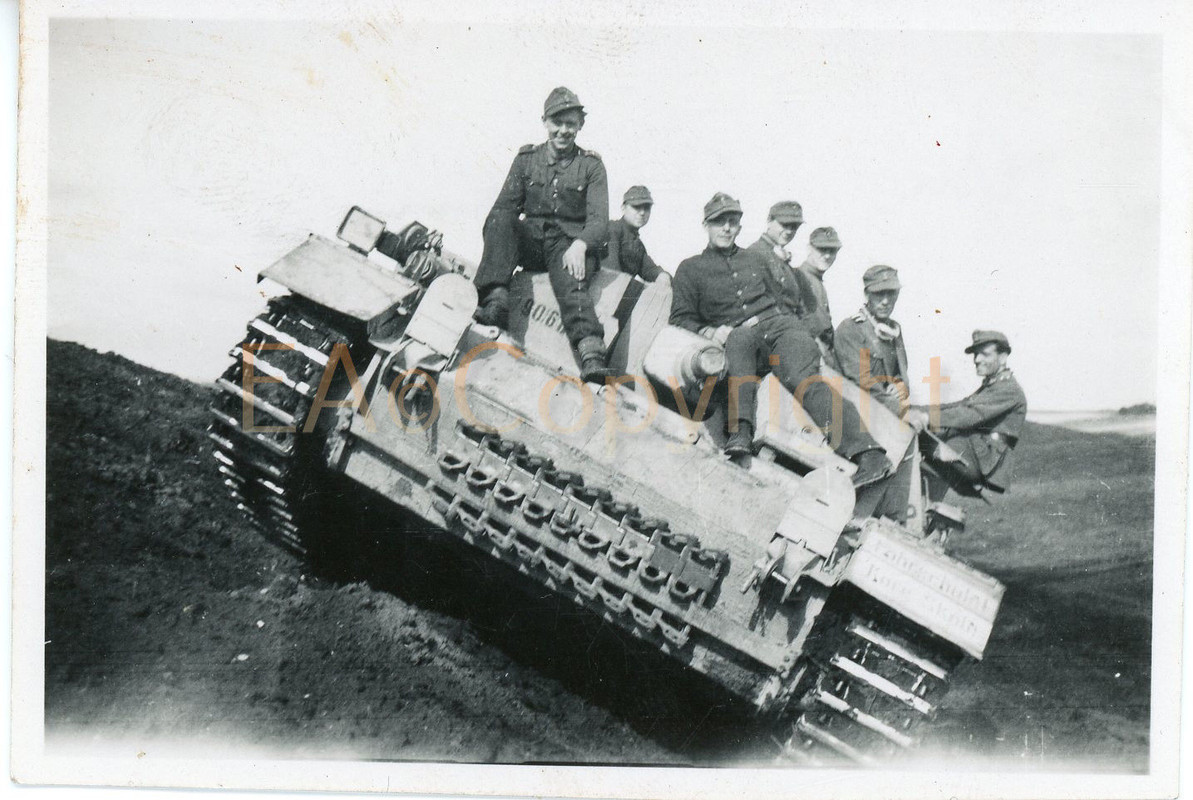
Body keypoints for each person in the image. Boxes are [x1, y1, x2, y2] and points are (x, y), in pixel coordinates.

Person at [669, 192, 891, 486]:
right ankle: (740, 434)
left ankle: (870, 455)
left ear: (739, 226)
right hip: (741, 337)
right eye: (719, 221)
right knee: (740, 340)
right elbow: (681, 316)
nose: (726, 228)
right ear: (706, 225)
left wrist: (798, 330)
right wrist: (709, 332)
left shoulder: (755, 258)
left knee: (808, 382)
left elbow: (786, 298)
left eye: (733, 222)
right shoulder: (690, 268)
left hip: (780, 327)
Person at [472, 86, 612, 381]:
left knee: (570, 281)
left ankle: (590, 351)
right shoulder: (526, 159)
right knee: (500, 218)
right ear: (545, 122)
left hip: (567, 245)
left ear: (580, 126)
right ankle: (495, 300)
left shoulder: (592, 166)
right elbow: (505, 207)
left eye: (570, 123)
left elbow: (600, 221)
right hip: (533, 242)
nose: (563, 130)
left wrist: (581, 244)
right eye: (557, 122)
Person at [906, 330, 1027, 500]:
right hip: (976, 454)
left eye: (985, 354)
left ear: (1003, 357)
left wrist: (925, 418)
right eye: (976, 354)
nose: (977, 360)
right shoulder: (992, 386)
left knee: (917, 436)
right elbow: (958, 405)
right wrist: (913, 409)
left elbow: (968, 414)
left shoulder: (1009, 390)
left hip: (985, 463)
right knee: (916, 437)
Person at [835, 265, 909, 415]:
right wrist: (900, 411)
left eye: (892, 293)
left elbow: (899, 373)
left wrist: (900, 385)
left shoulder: (894, 329)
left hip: (887, 412)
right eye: (879, 294)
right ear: (867, 294)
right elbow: (863, 385)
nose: (886, 301)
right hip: (860, 414)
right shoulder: (850, 328)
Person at [601, 185, 668, 284]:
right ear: (623, 208)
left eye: (647, 208)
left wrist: (662, 275)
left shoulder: (638, 244)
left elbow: (649, 270)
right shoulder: (613, 229)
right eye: (636, 207)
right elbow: (611, 271)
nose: (642, 213)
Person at [791, 226, 843, 343]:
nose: (827, 256)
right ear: (809, 249)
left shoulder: (816, 280)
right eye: (822, 249)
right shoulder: (797, 277)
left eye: (832, 250)